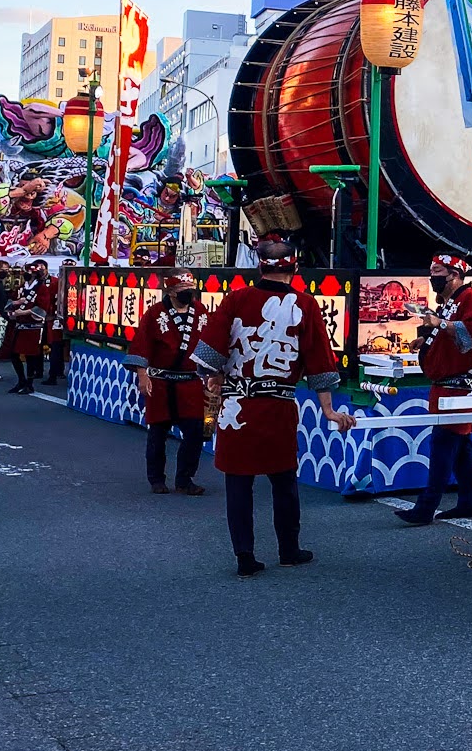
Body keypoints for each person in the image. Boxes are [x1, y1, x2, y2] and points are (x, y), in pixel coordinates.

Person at [192, 231, 355, 576]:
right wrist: (328, 409)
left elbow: (208, 355)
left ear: (258, 266)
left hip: (237, 404)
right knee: (284, 480)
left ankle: (245, 557)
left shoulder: (235, 300)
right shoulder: (306, 305)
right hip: (278, 405)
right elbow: (320, 362)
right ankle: (288, 549)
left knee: (238, 482)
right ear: (294, 266)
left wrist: (214, 378)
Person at [399, 254, 472, 525]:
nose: (433, 276)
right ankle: (468, 502)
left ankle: (426, 507)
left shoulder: (470, 297)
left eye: (437, 271)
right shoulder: (451, 302)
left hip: (457, 385)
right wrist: (425, 340)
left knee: (442, 444)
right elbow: (447, 334)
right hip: (446, 384)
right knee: (461, 447)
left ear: (454, 274)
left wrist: (441, 324)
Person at [125, 271, 209, 495]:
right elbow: (142, 344)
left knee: (195, 432)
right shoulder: (155, 313)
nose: (187, 294)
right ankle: (156, 479)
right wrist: (143, 376)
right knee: (157, 434)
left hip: (190, 382)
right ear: (170, 291)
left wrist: (213, 374)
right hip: (161, 381)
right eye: (182, 291)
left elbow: (210, 341)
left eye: (190, 290)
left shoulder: (200, 311)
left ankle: (185, 478)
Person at [5, 261, 56, 394]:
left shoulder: (41, 288)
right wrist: (15, 306)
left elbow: (42, 308)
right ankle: (21, 380)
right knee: (13, 354)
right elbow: (11, 302)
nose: (26, 274)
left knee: (30, 356)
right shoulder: (22, 287)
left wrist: (24, 312)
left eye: (29, 272)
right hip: (19, 324)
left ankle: (29, 383)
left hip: (33, 325)